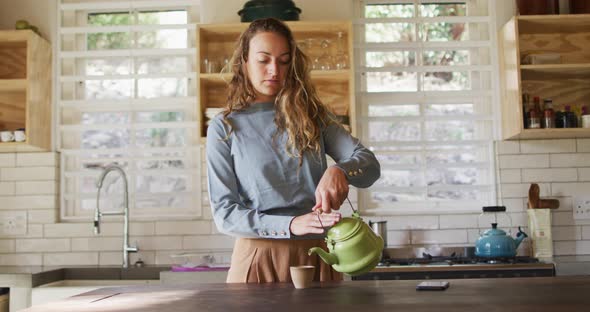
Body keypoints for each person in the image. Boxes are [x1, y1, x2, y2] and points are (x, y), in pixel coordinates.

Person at [206, 18, 380, 284]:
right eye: (263, 60)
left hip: (320, 255)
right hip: (258, 258)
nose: (274, 69)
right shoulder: (224, 126)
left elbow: (370, 167)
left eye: (284, 60)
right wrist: (289, 225)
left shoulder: (314, 116)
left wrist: (340, 170)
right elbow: (225, 215)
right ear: (244, 62)